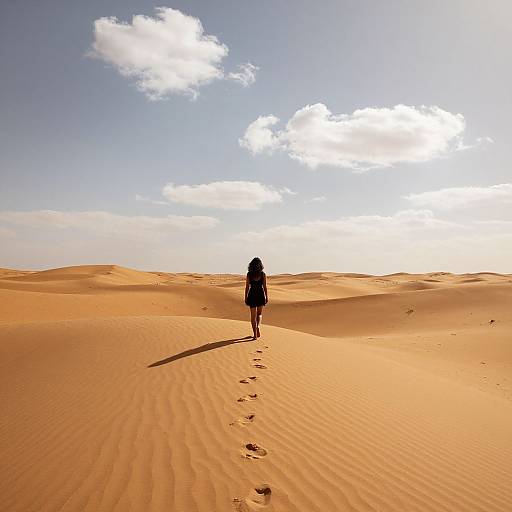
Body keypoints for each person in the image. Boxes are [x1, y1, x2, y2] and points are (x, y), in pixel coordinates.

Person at [245, 257, 268, 340]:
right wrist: (266, 296)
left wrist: (246, 297)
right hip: (260, 295)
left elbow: (247, 286)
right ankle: (258, 326)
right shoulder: (263, 274)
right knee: (259, 314)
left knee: (252, 317)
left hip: (252, 295)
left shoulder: (249, 274)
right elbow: (264, 286)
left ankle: (255, 335)